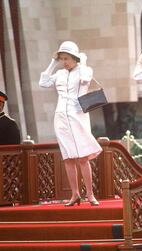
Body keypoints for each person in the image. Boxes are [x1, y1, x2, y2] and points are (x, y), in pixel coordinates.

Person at [39, 41, 102, 207]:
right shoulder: (59, 73)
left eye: (66, 58)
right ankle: (75, 194)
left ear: (75, 57)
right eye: (62, 59)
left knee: (83, 157)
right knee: (68, 157)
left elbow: (85, 80)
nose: (64, 62)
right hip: (61, 117)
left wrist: (83, 62)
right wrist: (53, 62)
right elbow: (43, 82)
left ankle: (90, 193)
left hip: (78, 116)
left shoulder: (84, 70)